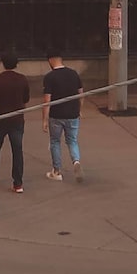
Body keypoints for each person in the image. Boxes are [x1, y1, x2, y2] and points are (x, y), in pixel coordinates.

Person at [0, 52, 30, 193]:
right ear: (16, 64)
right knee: (17, 150)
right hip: (17, 119)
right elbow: (26, 99)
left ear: (2, 63)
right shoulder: (22, 79)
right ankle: (18, 183)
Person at [41, 52, 83, 182]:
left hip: (56, 115)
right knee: (72, 140)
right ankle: (76, 161)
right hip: (73, 114)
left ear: (50, 60)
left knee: (55, 141)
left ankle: (57, 171)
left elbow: (47, 100)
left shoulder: (49, 77)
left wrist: (44, 119)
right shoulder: (73, 74)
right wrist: (79, 110)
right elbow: (81, 94)